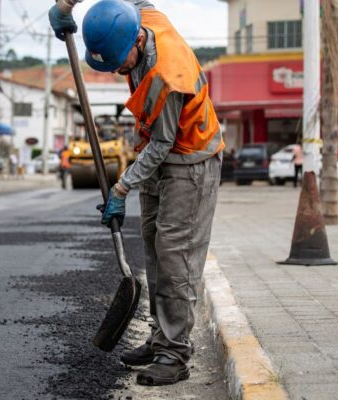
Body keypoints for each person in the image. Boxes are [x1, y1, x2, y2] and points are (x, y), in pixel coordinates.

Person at [50, 0, 224, 386]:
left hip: (191, 160)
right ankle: (160, 338)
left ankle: (174, 355)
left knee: (175, 257)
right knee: (154, 246)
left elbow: (164, 144)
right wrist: (66, 5)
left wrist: (122, 185)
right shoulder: (140, 16)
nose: (116, 70)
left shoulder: (167, 74)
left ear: (137, 40)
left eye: (118, 62)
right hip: (157, 154)